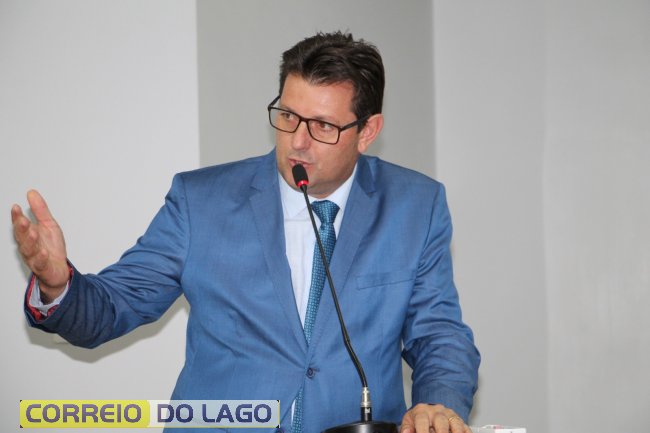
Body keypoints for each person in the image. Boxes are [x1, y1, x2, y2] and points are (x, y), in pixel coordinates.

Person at [11, 32, 479, 433]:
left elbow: (438, 334)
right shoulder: (200, 202)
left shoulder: (415, 206)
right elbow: (112, 307)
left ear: (368, 131)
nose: (297, 141)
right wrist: (58, 285)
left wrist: (438, 405)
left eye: (322, 126)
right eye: (288, 116)